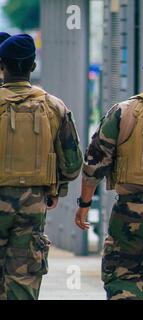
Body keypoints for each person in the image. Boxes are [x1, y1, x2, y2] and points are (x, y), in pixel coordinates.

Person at [76, 47, 143, 300]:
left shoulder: (123, 111)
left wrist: (84, 203)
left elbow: (94, 163)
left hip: (129, 212)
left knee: (123, 278)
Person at [0, 34, 83, 300]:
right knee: (23, 278)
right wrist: (55, 187)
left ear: (2, 65)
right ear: (33, 66)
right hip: (33, 205)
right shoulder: (53, 106)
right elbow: (72, 164)